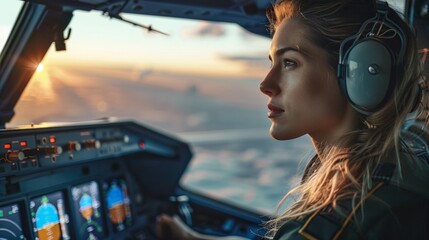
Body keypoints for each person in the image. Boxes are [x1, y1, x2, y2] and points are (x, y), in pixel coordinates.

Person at [156, 0, 429, 239]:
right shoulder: (412, 157)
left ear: (361, 75)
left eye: (289, 63)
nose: (266, 84)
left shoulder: (325, 226)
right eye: (272, 62)